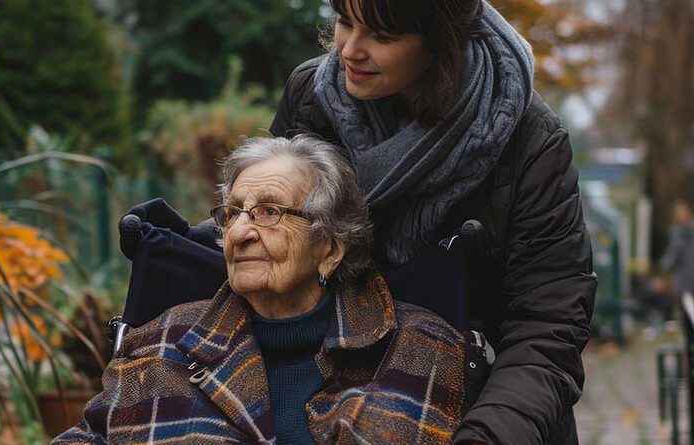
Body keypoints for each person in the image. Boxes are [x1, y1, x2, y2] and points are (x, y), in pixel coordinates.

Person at [119, 0, 595, 442]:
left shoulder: (528, 142)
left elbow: (547, 327)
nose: (349, 48)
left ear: (440, 42)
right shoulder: (313, 97)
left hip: (481, 397)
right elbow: (283, 218)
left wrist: (487, 434)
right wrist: (182, 243)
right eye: (345, 20)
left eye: (381, 36)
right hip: (341, 380)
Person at [54, 136, 488, 444]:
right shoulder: (159, 344)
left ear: (330, 248)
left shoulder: (421, 349)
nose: (238, 232)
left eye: (268, 212)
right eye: (233, 213)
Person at [660, 200, 694, 299]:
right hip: (685, 274)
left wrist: (663, 265)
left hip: (685, 276)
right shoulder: (678, 229)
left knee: (686, 302)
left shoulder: (677, 230)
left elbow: (674, 251)